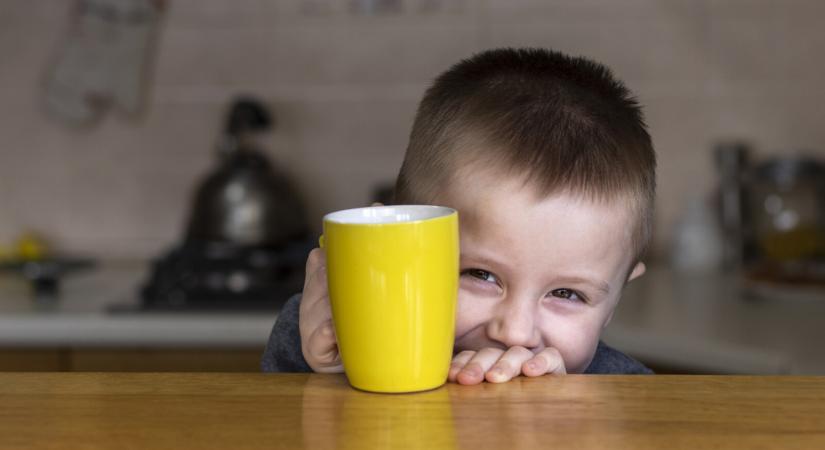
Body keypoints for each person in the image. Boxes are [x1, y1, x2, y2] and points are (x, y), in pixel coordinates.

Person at [262, 47, 656, 382]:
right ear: (393, 246)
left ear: (617, 295)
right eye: (480, 275)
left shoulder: (631, 401)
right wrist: (337, 376)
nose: (515, 333)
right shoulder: (317, 339)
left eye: (567, 294)